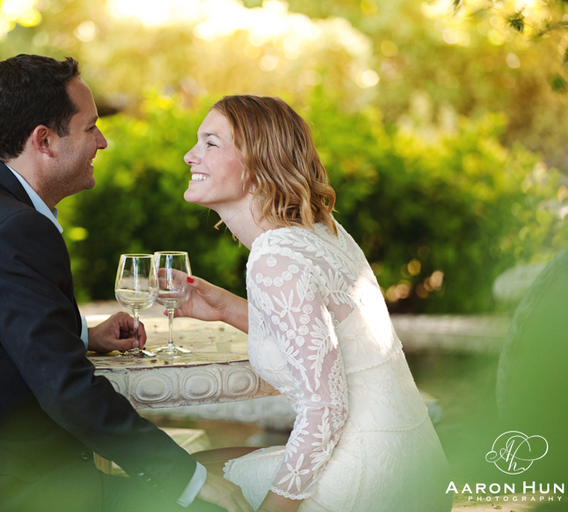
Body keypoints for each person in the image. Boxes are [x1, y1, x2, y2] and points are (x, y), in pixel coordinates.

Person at [0, 55, 251, 512]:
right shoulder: (15, 230)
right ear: (44, 140)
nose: (103, 141)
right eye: (90, 128)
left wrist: (81, 335)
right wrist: (186, 478)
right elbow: (67, 390)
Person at [176, 95, 452, 512]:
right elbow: (324, 339)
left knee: (183, 479)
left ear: (258, 162)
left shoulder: (273, 256)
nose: (189, 155)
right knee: (201, 467)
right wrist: (223, 308)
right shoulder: (323, 230)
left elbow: (325, 408)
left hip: (365, 481)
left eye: (210, 143)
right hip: (419, 468)